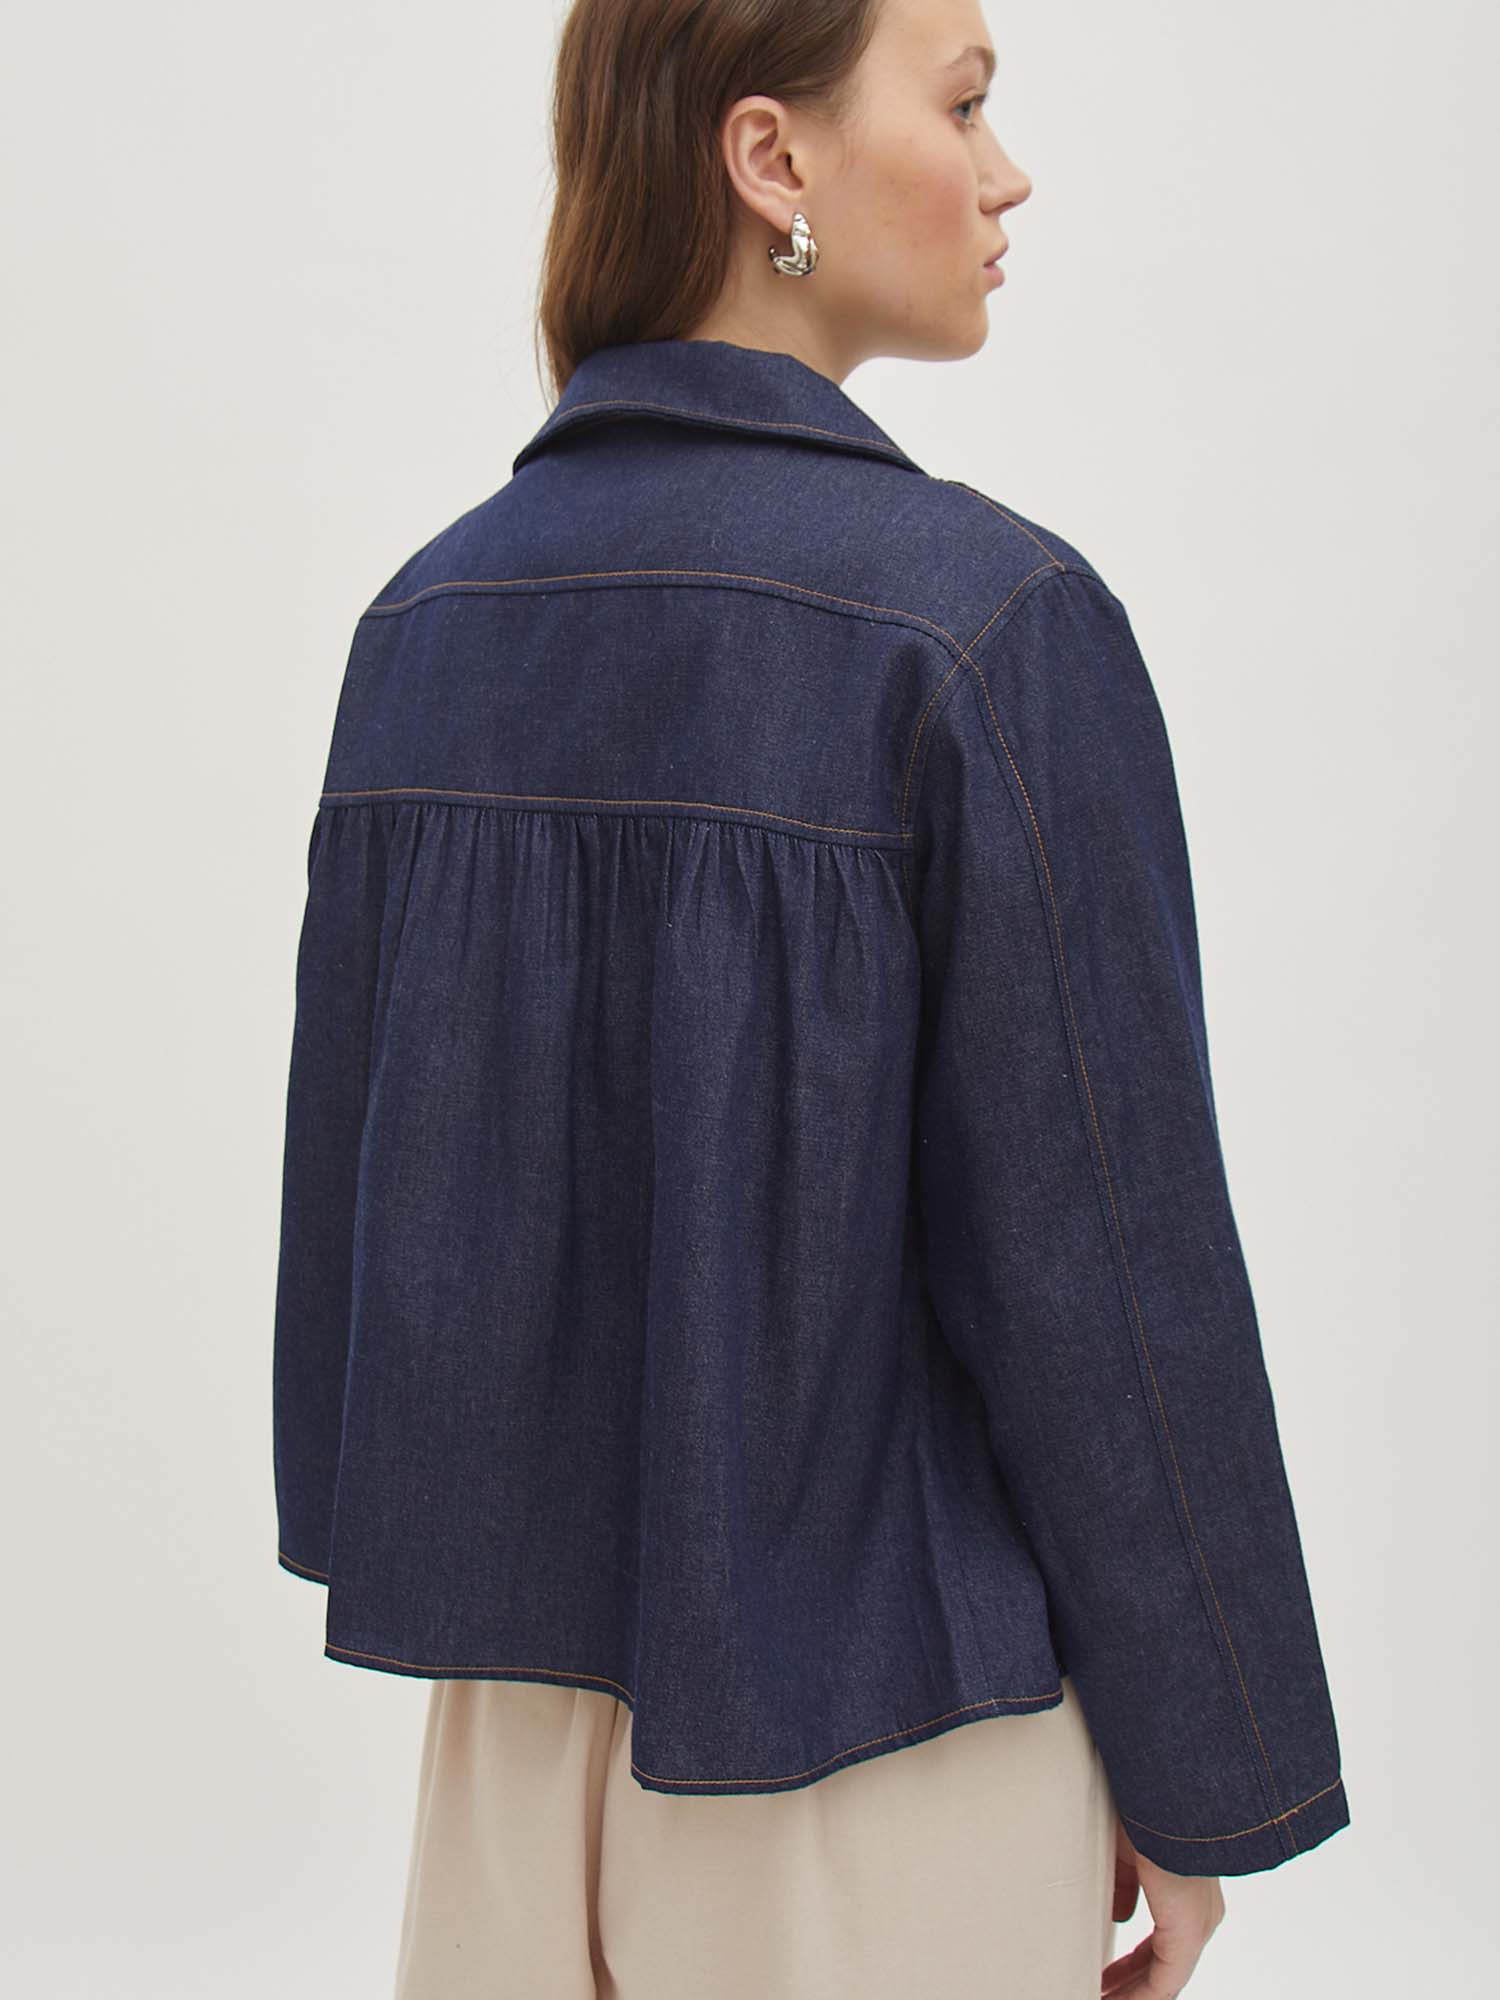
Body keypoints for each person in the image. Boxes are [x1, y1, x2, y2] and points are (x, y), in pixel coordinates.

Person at [271, 0, 1350, 1993]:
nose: (1008, 174)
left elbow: (361, 1285)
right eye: (967, 102)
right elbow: (1108, 1276)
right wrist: (1206, 1780)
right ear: (770, 157)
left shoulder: (422, 627)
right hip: (890, 1757)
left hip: (508, 1758)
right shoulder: (984, 632)